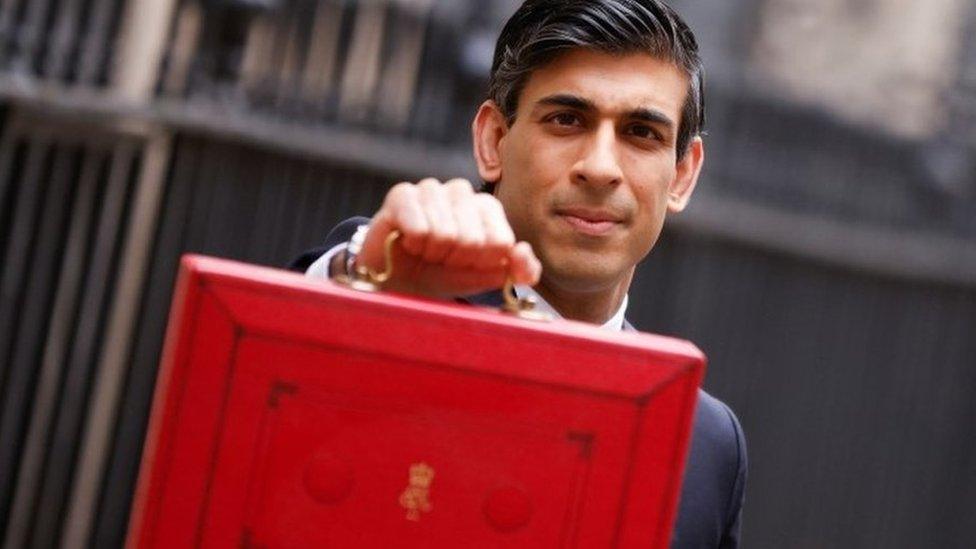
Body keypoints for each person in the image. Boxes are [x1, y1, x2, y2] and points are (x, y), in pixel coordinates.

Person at [292, 1, 746, 546]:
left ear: (682, 175)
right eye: (567, 120)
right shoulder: (388, 283)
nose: (600, 167)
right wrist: (370, 289)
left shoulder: (706, 442)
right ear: (493, 141)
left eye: (641, 132)